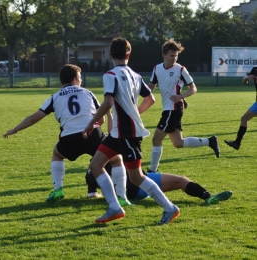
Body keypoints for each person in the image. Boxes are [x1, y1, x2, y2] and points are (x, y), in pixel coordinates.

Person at [83, 37, 180, 224]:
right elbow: (150, 99)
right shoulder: (135, 75)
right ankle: (114, 207)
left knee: (136, 177)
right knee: (96, 166)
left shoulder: (110, 75)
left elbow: (108, 102)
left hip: (128, 133)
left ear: (110, 55)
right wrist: (135, 113)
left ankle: (170, 208)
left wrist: (91, 123)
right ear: (129, 54)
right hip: (118, 133)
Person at [3, 64, 130, 205]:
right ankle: (121, 196)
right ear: (75, 78)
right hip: (92, 133)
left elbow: (34, 118)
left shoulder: (54, 97)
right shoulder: (87, 93)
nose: (81, 81)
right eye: (80, 78)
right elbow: (101, 119)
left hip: (69, 138)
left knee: (57, 154)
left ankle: (58, 189)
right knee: (116, 159)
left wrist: (15, 129)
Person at [148, 39, 220, 173]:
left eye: (176, 55)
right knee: (178, 143)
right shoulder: (157, 69)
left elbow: (193, 88)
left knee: (156, 138)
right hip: (168, 109)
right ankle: (210, 141)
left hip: (174, 109)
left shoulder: (180, 69)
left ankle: (152, 170)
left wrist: (180, 96)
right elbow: (150, 87)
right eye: (171, 55)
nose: (174, 58)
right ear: (164, 55)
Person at [85, 163, 232, 205]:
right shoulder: (118, 151)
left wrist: (103, 194)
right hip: (140, 184)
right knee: (181, 180)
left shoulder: (90, 171)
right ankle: (207, 196)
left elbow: (92, 195)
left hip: (128, 194)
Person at [225, 67, 257, 150]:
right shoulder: (255, 70)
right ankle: (237, 143)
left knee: (244, 118)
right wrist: (246, 78)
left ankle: (237, 142)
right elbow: (244, 82)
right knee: (244, 118)